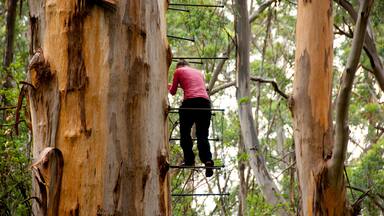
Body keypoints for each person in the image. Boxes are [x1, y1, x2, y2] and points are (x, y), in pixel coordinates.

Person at [168, 60, 214, 177]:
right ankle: (207, 160)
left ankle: (189, 160)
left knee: (185, 133)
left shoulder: (178, 71)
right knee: (202, 135)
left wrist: (168, 86)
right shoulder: (199, 72)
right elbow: (198, 87)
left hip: (190, 103)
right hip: (205, 103)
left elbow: (173, 92)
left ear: (179, 66)